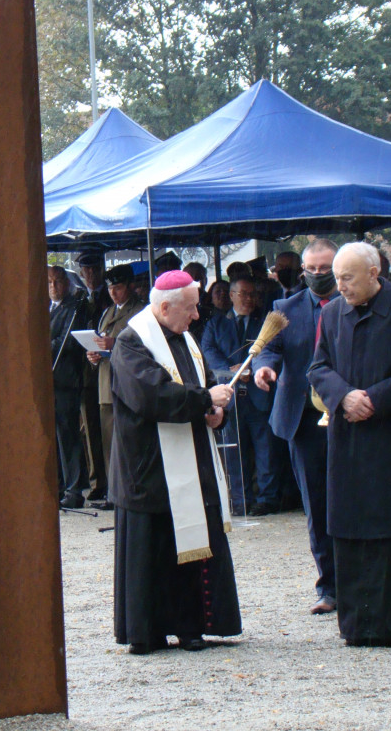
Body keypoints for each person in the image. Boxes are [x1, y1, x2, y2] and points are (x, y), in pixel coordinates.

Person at [308, 242, 391, 647]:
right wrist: (344, 395)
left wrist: (375, 399)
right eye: (337, 278)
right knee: (351, 529)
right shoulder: (331, 314)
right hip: (349, 441)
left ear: (373, 272)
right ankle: (359, 624)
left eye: (347, 277)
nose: (339, 285)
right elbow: (318, 367)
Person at [109, 270, 241, 654]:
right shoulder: (131, 342)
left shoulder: (183, 336)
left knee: (189, 546)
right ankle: (147, 631)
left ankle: (190, 626)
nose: (197, 316)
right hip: (147, 469)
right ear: (165, 307)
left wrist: (216, 412)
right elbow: (153, 396)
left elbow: (202, 380)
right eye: (190, 308)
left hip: (187, 462)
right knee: (152, 550)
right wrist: (204, 401)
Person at [253, 238, 339, 615]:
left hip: (347, 414)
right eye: (312, 269)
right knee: (316, 506)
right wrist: (263, 368)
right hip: (302, 420)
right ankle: (328, 586)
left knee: (350, 500)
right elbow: (266, 348)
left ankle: (359, 578)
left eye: (326, 268)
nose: (318, 275)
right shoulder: (284, 308)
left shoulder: (351, 303)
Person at [202, 277, 275, 515]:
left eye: (252, 294)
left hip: (257, 393)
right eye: (242, 293)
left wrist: (252, 370)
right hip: (231, 393)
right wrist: (229, 369)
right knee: (235, 450)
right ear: (231, 295)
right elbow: (209, 351)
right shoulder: (216, 323)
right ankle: (240, 498)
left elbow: (271, 349)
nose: (248, 299)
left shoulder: (263, 321)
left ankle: (266, 498)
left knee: (264, 448)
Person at [86, 264, 146, 508]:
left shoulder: (139, 311)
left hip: (126, 382)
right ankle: (114, 491)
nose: (113, 292)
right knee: (109, 440)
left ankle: (128, 490)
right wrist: (94, 355)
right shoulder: (107, 312)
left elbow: (142, 346)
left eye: (118, 287)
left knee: (128, 440)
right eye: (111, 287)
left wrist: (113, 345)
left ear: (129, 287)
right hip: (105, 382)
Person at [48, 266, 89, 508]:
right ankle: (59, 487)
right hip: (49, 382)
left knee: (68, 435)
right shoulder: (47, 307)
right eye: (50, 282)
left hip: (66, 380)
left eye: (58, 282)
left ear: (67, 282)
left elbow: (68, 341)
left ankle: (74, 490)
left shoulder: (75, 307)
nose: (54, 287)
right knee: (54, 437)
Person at [77, 253, 112, 503]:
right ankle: (95, 480)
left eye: (94, 269)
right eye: (85, 270)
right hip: (84, 369)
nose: (90, 274)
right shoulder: (79, 298)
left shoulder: (106, 299)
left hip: (105, 370)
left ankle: (107, 481)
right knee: (89, 428)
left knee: (106, 429)